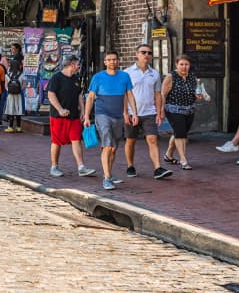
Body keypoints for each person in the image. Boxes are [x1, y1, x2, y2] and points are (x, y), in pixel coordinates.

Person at [84, 50, 138, 190]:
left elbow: (130, 95)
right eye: (109, 59)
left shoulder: (125, 76)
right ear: (105, 62)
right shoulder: (98, 77)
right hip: (102, 114)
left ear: (118, 61)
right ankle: (107, 178)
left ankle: (109, 172)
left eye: (115, 59)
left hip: (118, 116)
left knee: (114, 148)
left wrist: (134, 113)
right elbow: (90, 98)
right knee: (107, 145)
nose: (112, 62)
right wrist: (86, 116)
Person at [124, 44, 172, 180]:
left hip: (149, 112)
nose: (147, 55)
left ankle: (157, 168)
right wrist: (125, 113)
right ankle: (130, 165)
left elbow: (157, 94)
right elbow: (124, 95)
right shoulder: (127, 73)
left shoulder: (155, 73)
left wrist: (159, 112)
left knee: (152, 139)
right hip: (132, 112)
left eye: (149, 53)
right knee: (130, 140)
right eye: (143, 52)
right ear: (136, 54)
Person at [48, 55, 96, 178]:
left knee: (76, 139)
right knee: (56, 141)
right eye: (77, 64)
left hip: (73, 116)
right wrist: (59, 109)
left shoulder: (76, 78)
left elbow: (79, 95)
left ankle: (81, 167)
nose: (79, 66)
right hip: (58, 116)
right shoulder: (56, 77)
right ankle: (54, 166)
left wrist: (83, 110)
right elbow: (51, 94)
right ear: (72, 64)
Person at [161, 55, 203, 170]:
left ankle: (168, 155)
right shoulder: (171, 77)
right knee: (181, 135)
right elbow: (163, 95)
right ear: (176, 65)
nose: (184, 67)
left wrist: (198, 96)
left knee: (179, 132)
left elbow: (196, 92)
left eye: (186, 64)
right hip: (173, 109)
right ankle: (183, 160)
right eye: (181, 64)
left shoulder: (192, 77)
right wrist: (161, 111)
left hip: (189, 109)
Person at [4, 60, 25, 133]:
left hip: (10, 95)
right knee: (18, 109)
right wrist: (19, 90)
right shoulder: (21, 74)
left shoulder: (7, 75)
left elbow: (6, 86)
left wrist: (9, 90)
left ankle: (10, 127)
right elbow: (23, 85)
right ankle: (18, 127)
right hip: (18, 95)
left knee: (11, 109)